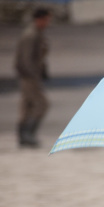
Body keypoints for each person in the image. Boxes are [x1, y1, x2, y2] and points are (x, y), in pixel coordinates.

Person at [14, 7, 51, 147]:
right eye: (47, 19)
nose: (48, 22)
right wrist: (34, 76)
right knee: (41, 105)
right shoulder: (31, 35)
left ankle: (24, 137)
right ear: (39, 19)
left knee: (27, 106)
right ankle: (27, 135)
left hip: (31, 76)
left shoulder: (37, 33)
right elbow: (25, 59)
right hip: (29, 77)